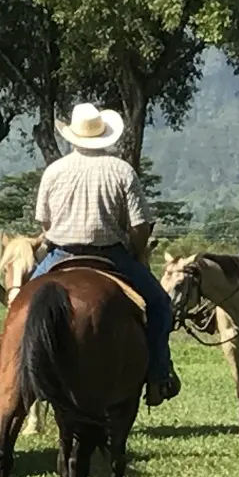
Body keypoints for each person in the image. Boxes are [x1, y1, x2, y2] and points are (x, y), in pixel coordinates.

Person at [28, 102, 180, 407]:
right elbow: (139, 226)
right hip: (111, 255)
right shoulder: (122, 170)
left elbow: (45, 222)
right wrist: (138, 253)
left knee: (21, 305)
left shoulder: (55, 170)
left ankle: (19, 375)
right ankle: (157, 376)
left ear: (72, 136)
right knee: (161, 306)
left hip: (61, 254)